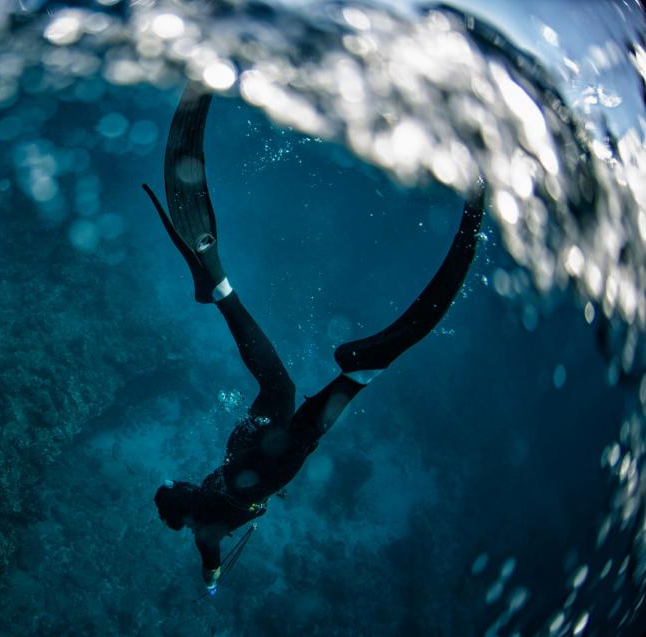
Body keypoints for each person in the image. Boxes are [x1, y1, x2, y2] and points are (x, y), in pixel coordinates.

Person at [143, 82, 486, 593]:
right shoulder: (196, 498)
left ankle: (363, 368)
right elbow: (181, 492)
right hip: (245, 451)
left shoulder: (205, 533)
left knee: (306, 430)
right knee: (277, 388)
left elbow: (209, 561)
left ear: (184, 523)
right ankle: (222, 291)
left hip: (262, 469)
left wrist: (212, 583)